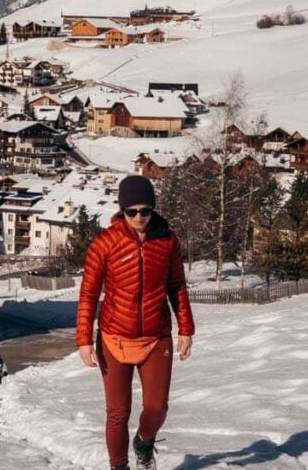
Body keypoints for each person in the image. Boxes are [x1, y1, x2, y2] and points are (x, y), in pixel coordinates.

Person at [76, 175, 195, 470]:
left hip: (156, 337)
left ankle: (144, 441)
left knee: (157, 408)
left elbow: (177, 285)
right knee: (118, 413)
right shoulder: (104, 244)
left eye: (145, 210)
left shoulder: (167, 241)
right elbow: (89, 293)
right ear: (122, 210)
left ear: (153, 209)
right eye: (132, 211)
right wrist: (83, 339)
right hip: (113, 338)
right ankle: (119, 466)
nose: (139, 217)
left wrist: (186, 328)